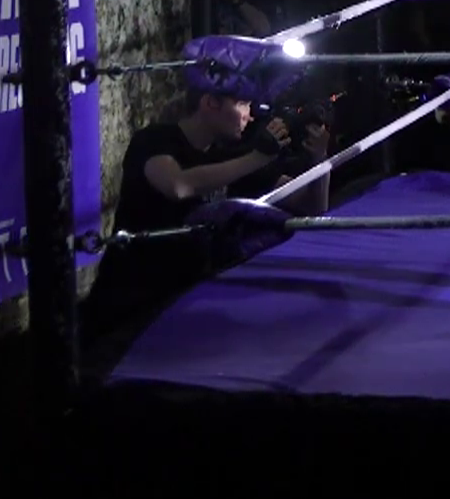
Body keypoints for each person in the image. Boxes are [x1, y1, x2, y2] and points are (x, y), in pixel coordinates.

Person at [86, 87, 329, 334]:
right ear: (210, 102)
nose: (249, 115)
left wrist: (320, 159)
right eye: (242, 104)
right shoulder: (154, 140)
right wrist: (257, 158)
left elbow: (312, 207)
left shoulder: (228, 158)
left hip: (177, 316)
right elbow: (178, 185)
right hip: (124, 308)